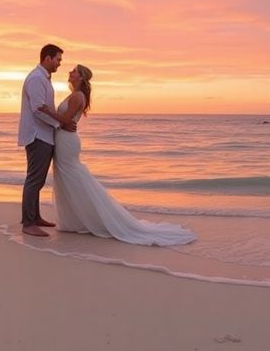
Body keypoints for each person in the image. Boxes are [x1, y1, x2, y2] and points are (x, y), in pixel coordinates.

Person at [39, 64, 196, 246]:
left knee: (75, 177)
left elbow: (66, 120)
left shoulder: (77, 96)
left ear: (80, 77)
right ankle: (77, 219)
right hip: (64, 138)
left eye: (74, 71)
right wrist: (60, 121)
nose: (70, 72)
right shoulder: (74, 94)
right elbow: (65, 122)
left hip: (67, 141)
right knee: (67, 179)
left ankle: (97, 217)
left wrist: (48, 111)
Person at [17, 44, 76, 237]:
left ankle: (35, 217)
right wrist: (60, 124)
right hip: (37, 135)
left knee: (38, 180)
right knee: (34, 179)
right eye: (58, 59)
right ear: (47, 58)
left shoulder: (43, 78)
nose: (59, 63)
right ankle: (28, 223)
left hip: (44, 135)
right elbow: (38, 109)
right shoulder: (36, 78)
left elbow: (44, 108)